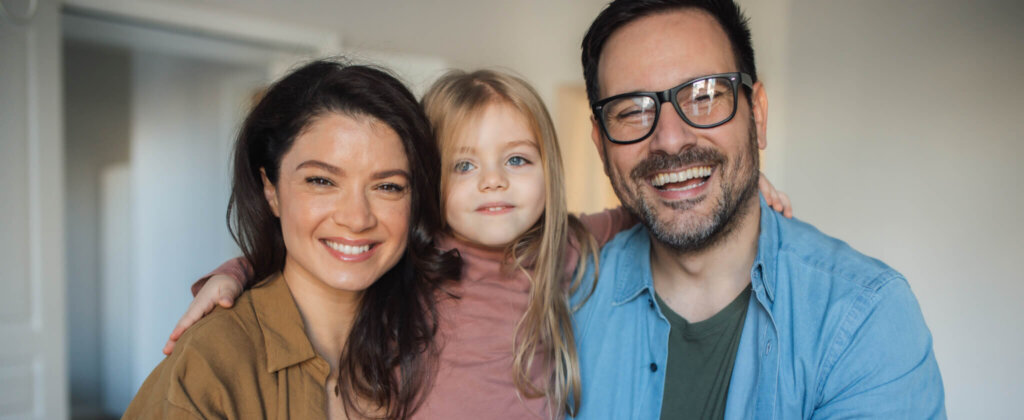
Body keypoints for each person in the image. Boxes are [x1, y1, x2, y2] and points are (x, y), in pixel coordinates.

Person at [163, 68, 794, 419]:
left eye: (516, 159)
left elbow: (654, 207)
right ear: (429, 180)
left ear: (548, 168)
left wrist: (726, 186)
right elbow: (322, 250)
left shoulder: (568, 244)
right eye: (464, 165)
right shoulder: (414, 252)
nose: (493, 181)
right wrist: (233, 274)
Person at [571, 0, 946, 419]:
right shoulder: (561, 303)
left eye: (704, 96)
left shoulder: (864, 318)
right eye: (632, 112)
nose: (671, 140)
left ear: (758, 115)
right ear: (600, 144)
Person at [123, 60, 461, 419]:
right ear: (271, 190)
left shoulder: (436, 341)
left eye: (388, 186)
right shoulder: (210, 363)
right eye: (322, 181)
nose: (357, 218)